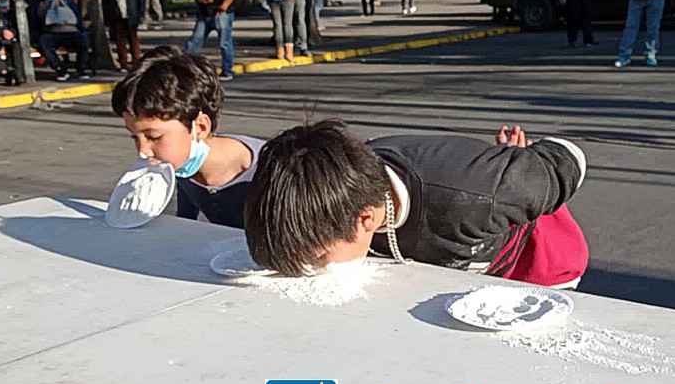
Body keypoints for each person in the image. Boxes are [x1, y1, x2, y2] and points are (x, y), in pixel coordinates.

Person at [244, 120, 589, 290]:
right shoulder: (342, 188)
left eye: (317, 258)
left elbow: (570, 158)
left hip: (534, 266)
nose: (313, 268)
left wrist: (518, 165)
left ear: (366, 220)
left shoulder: (475, 192)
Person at [111, 45, 265, 228]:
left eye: (153, 137)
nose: (143, 151)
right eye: (135, 137)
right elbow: (185, 220)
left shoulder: (269, 174)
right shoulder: (182, 165)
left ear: (200, 127)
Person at [185, 0, 238, 82]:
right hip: (204, 13)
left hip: (221, 13)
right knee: (194, 42)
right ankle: (184, 68)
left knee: (224, 43)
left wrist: (225, 5)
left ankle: (227, 70)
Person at [32, 0, 90, 82]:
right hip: (52, 34)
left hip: (71, 31)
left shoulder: (66, 0)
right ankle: (60, 69)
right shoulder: (40, 5)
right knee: (44, 43)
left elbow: (77, 16)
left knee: (83, 41)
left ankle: (81, 68)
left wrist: (82, 29)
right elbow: (37, 23)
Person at [103, 0, 145, 71]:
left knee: (133, 40)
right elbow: (106, 0)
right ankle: (124, 63)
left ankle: (137, 62)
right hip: (117, 16)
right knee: (120, 41)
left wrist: (140, 14)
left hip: (131, 15)